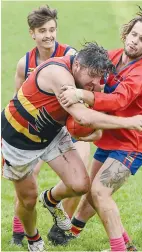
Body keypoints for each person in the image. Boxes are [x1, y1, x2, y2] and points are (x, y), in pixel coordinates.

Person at [1, 42, 142, 252]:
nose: (96, 84)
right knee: (28, 200)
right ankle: (33, 237)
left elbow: (90, 117)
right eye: (93, 77)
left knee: (80, 185)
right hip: (18, 141)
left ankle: (51, 200)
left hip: (51, 135)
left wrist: (94, 132)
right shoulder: (58, 74)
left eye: (100, 77)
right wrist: (128, 122)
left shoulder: (85, 75)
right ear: (77, 66)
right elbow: (82, 116)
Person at [57, 7, 142, 251]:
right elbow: (94, 75)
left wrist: (81, 94)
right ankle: (125, 246)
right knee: (94, 193)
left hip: (132, 144)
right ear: (127, 33)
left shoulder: (141, 74)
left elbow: (119, 100)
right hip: (108, 139)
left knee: (100, 192)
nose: (135, 41)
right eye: (134, 35)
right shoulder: (114, 57)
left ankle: (118, 249)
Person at [11, 5, 90, 246]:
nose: (49, 35)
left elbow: (83, 93)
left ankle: (59, 228)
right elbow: (18, 99)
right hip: (38, 131)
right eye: (42, 30)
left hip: (69, 128)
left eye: (52, 29)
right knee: (28, 176)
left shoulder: (71, 55)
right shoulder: (25, 63)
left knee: (80, 179)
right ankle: (19, 230)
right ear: (32, 33)